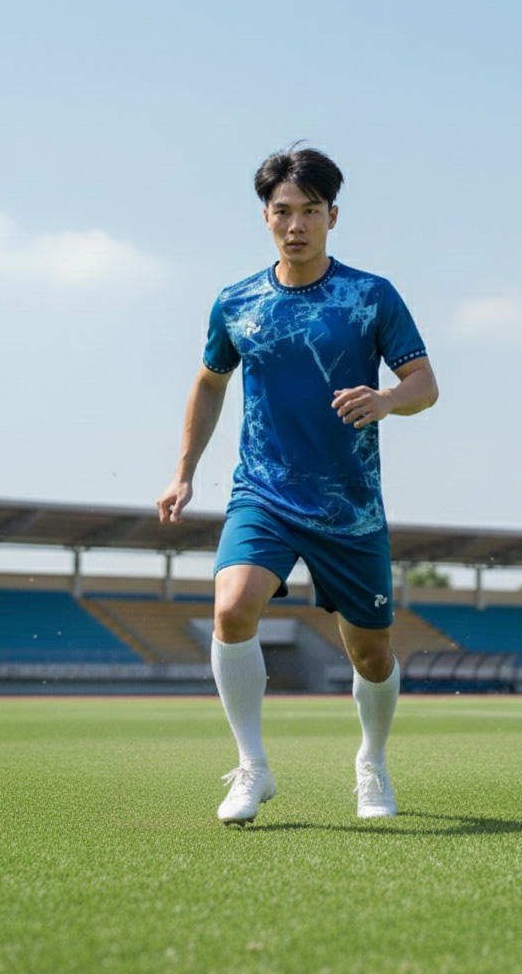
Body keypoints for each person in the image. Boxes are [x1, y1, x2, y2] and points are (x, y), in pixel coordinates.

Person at [156, 144, 438, 824]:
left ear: (332, 216)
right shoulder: (236, 303)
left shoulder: (371, 296)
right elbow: (209, 383)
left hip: (349, 506)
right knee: (232, 608)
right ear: (266, 217)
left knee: (371, 655)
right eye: (283, 211)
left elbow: (425, 384)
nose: (296, 225)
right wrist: (184, 472)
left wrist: (385, 400)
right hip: (265, 492)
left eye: (310, 211)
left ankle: (372, 762)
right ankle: (252, 766)